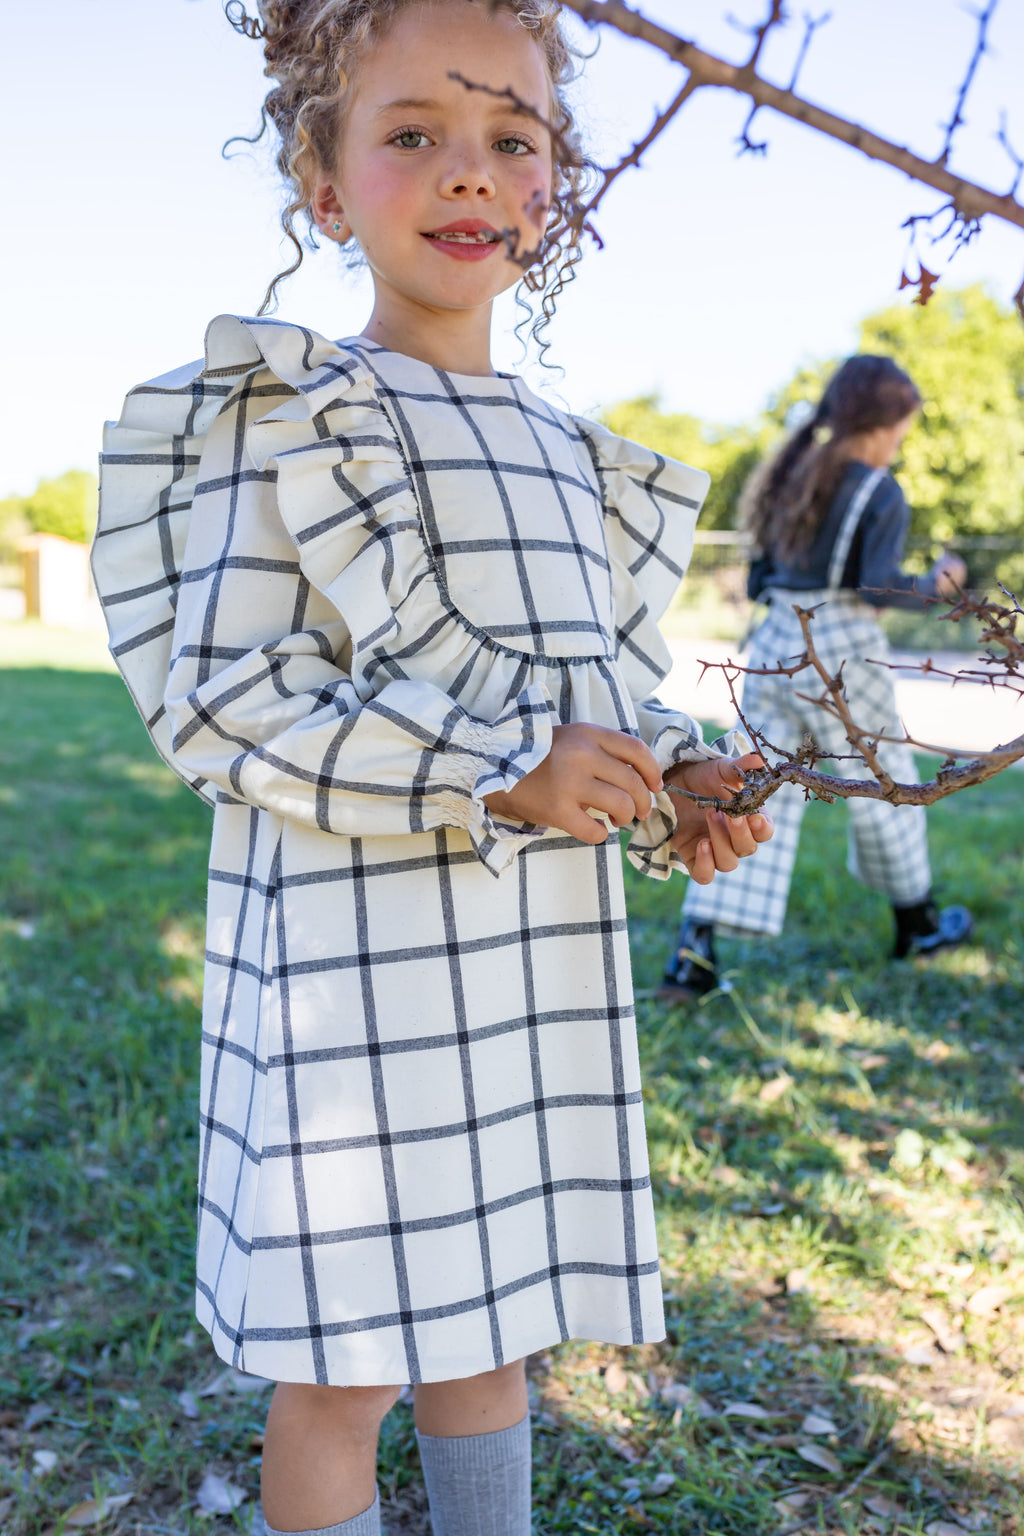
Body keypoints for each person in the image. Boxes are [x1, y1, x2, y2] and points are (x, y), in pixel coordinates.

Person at [91, 4, 774, 1533]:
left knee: (491, 1331)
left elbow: (582, 696)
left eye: (512, 140)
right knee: (343, 1369)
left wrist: (665, 785)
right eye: (412, 135)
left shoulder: (573, 458)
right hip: (357, 989)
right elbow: (232, 702)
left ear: (560, 192)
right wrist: (495, 775)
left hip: (521, 981)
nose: (470, 172)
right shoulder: (293, 417)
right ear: (325, 188)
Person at [661, 353, 973, 1001]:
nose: (898, 446)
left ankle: (695, 952)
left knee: (753, 777)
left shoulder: (791, 477)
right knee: (883, 773)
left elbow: (756, 578)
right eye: (901, 432)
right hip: (840, 645)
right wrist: (940, 583)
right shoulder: (877, 489)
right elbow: (879, 586)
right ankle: (915, 923)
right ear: (882, 423)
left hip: (776, 636)